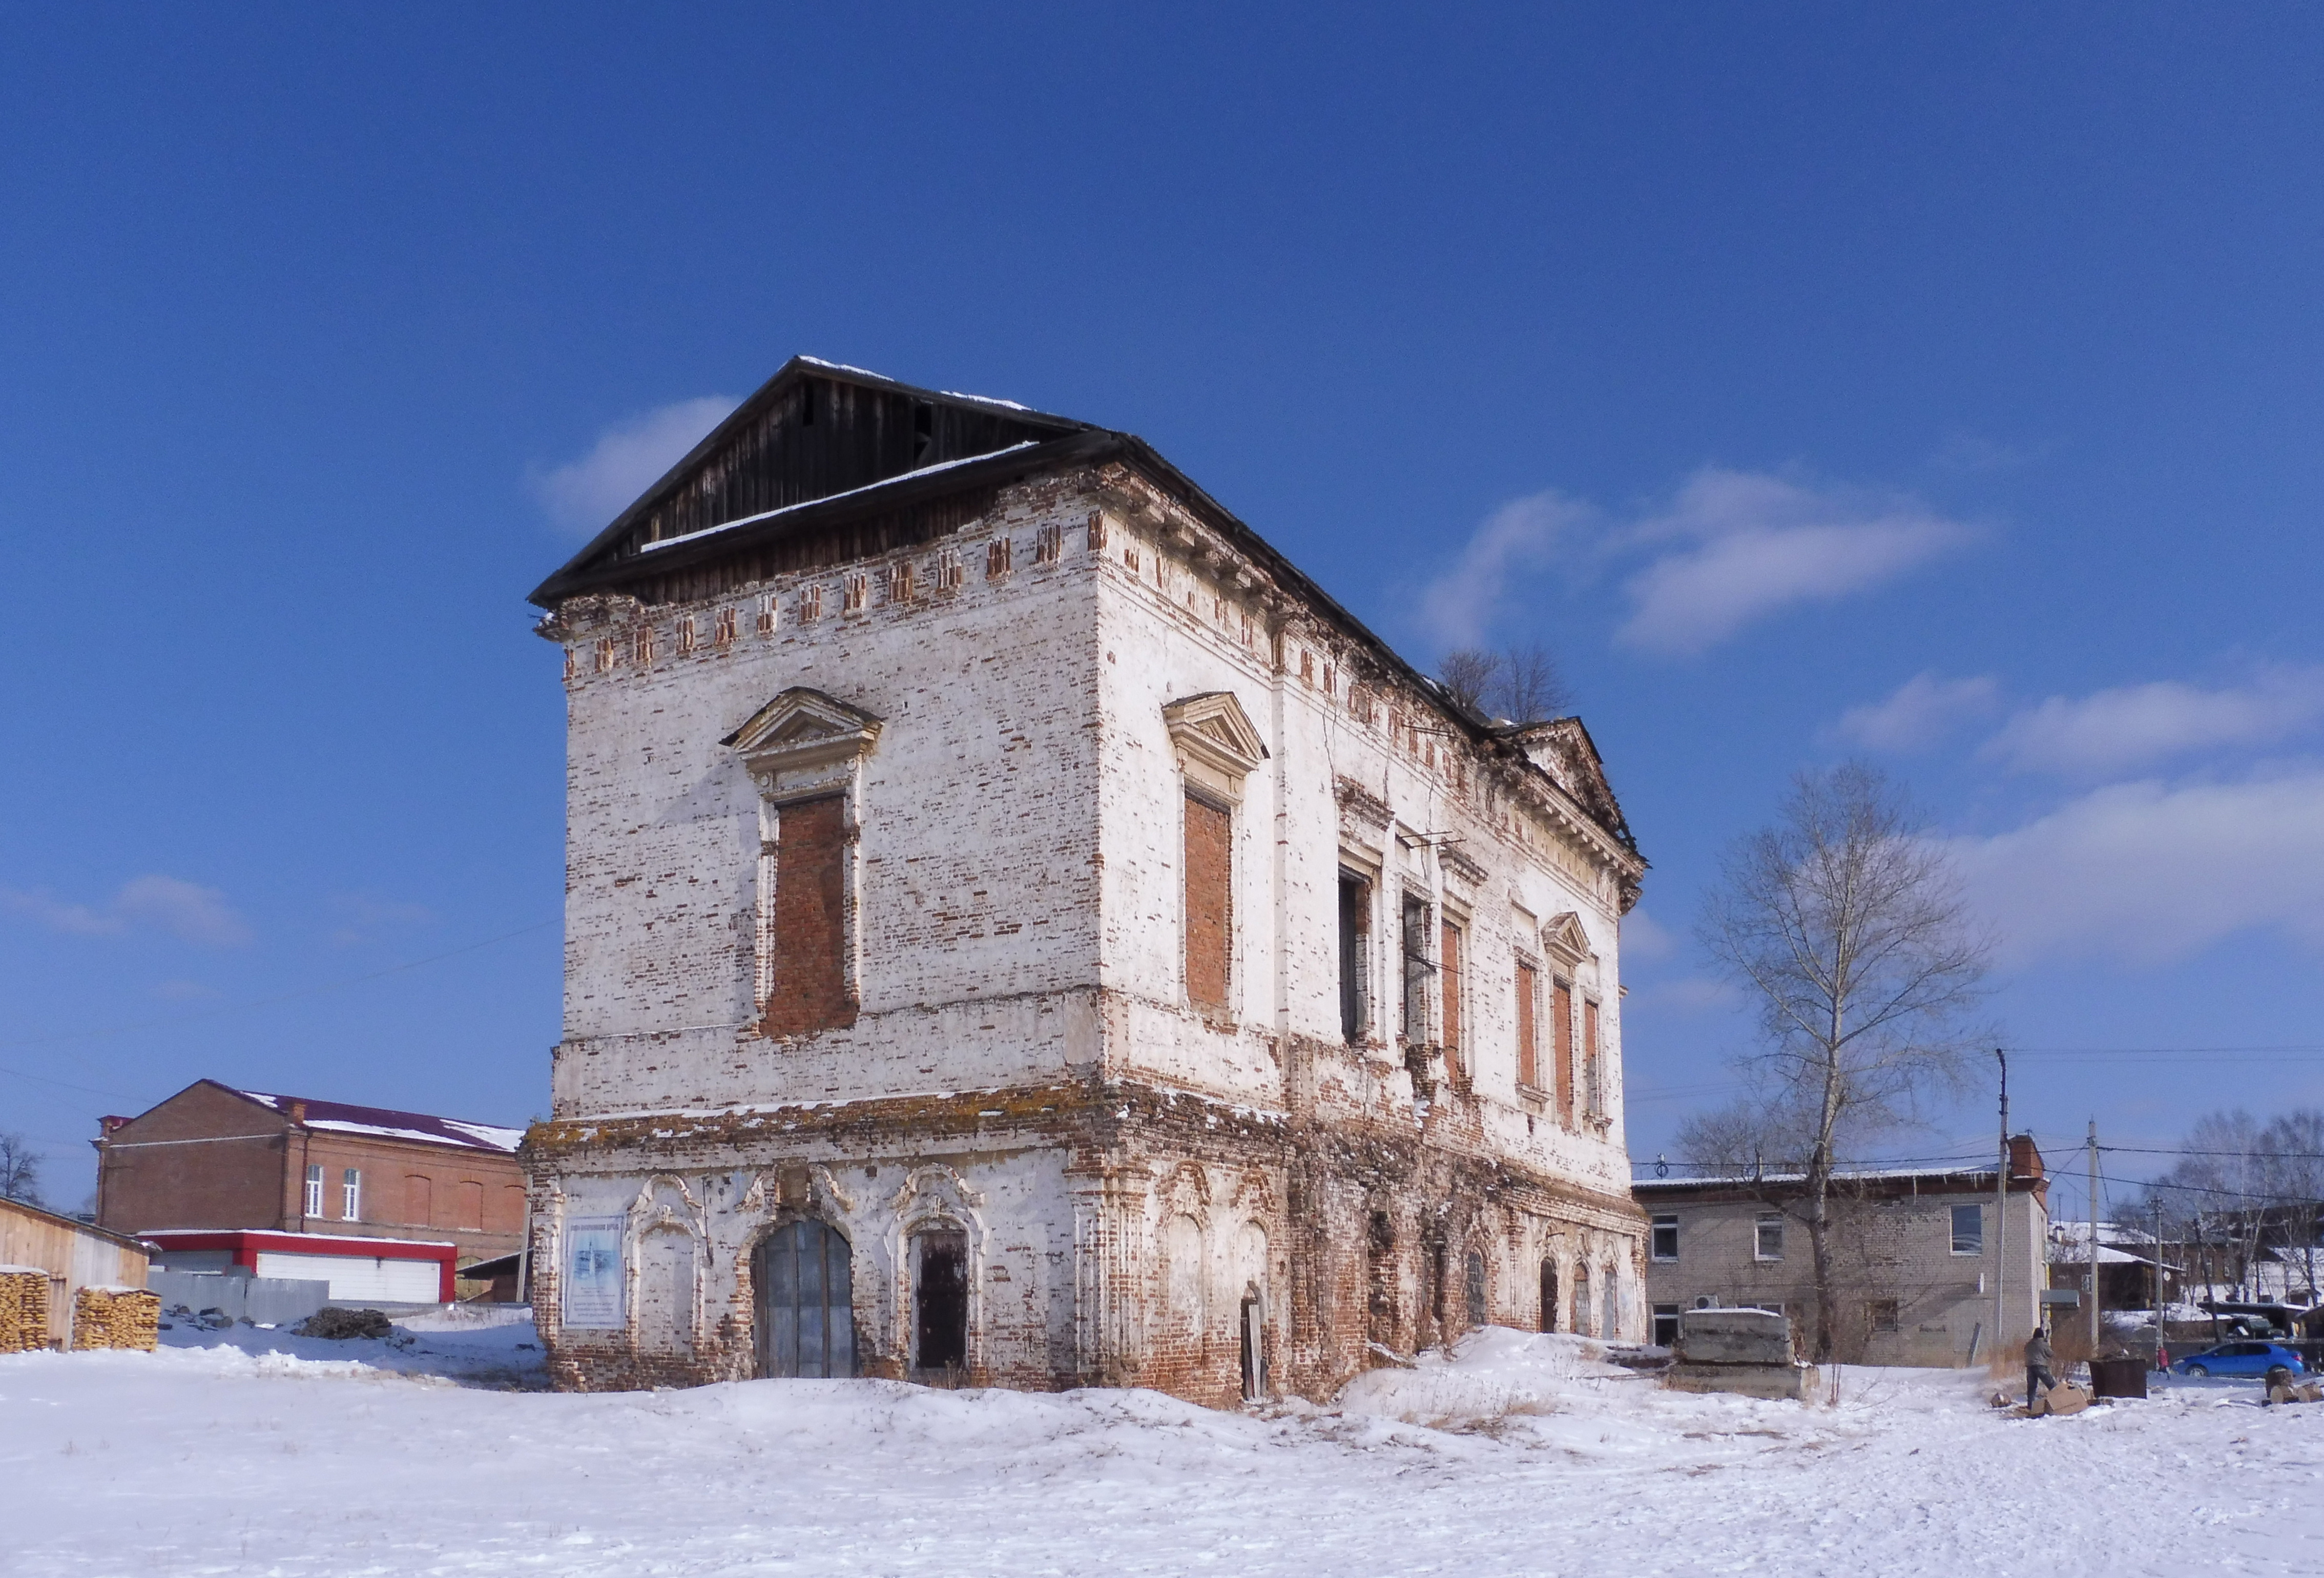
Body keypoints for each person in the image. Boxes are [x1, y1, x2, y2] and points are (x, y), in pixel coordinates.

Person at [2025, 1324, 2057, 1410]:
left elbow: (2026, 1352)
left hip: (2030, 1368)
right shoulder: (2043, 1344)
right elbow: (2051, 1354)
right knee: (2052, 1385)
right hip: (2041, 1367)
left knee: (2031, 1388)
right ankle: (2059, 1403)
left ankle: (2030, 1407)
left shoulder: (2029, 1344)